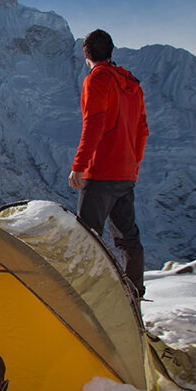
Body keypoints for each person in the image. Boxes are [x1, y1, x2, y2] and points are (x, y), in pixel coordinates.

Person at [68, 29, 149, 298]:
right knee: (128, 239)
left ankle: (86, 297)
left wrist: (80, 165)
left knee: (87, 238)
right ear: (111, 51)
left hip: (101, 173)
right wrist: (133, 166)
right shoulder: (132, 84)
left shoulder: (98, 79)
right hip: (125, 174)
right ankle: (134, 295)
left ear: (86, 55)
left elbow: (94, 124)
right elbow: (142, 131)